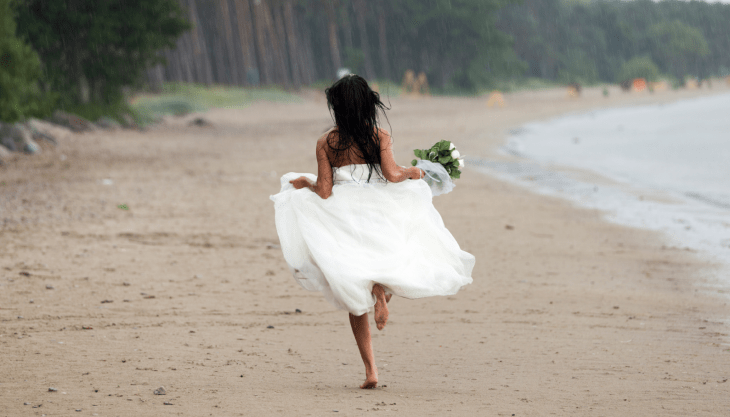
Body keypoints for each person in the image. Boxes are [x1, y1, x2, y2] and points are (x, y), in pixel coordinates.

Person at [270, 74, 474, 389]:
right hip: (379, 207)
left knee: (353, 286)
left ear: (337, 107)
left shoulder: (327, 142)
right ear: (368, 105)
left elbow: (324, 192)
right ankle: (381, 291)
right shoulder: (379, 135)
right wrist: (415, 171)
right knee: (396, 255)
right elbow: (392, 175)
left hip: (342, 212)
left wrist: (306, 183)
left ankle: (371, 371)